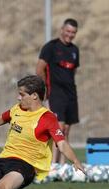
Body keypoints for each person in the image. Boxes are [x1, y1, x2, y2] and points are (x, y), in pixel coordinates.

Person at [36, 18, 80, 165]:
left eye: (73, 32)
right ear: (62, 29)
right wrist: (45, 91)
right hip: (56, 93)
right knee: (58, 129)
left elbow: (72, 72)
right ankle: (52, 165)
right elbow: (39, 68)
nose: (70, 34)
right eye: (68, 31)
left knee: (66, 130)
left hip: (71, 94)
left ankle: (62, 166)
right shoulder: (51, 47)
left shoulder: (75, 50)